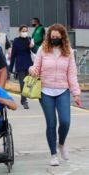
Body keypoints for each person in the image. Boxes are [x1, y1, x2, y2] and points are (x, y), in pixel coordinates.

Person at [29, 24, 82, 166]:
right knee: (51, 123)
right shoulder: (42, 49)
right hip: (45, 91)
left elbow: (72, 74)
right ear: (49, 37)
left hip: (62, 90)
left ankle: (62, 144)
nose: (55, 39)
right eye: (52, 37)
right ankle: (53, 154)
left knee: (65, 121)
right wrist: (32, 69)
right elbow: (36, 67)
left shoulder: (68, 52)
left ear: (63, 37)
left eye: (57, 37)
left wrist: (76, 93)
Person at [9, 25, 34, 109]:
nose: (25, 33)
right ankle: (24, 100)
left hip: (29, 64)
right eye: (23, 31)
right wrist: (10, 68)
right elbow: (13, 55)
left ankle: (24, 98)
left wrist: (32, 46)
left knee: (28, 83)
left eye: (26, 31)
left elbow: (34, 50)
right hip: (19, 64)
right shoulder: (16, 41)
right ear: (19, 31)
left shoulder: (29, 39)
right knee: (22, 83)